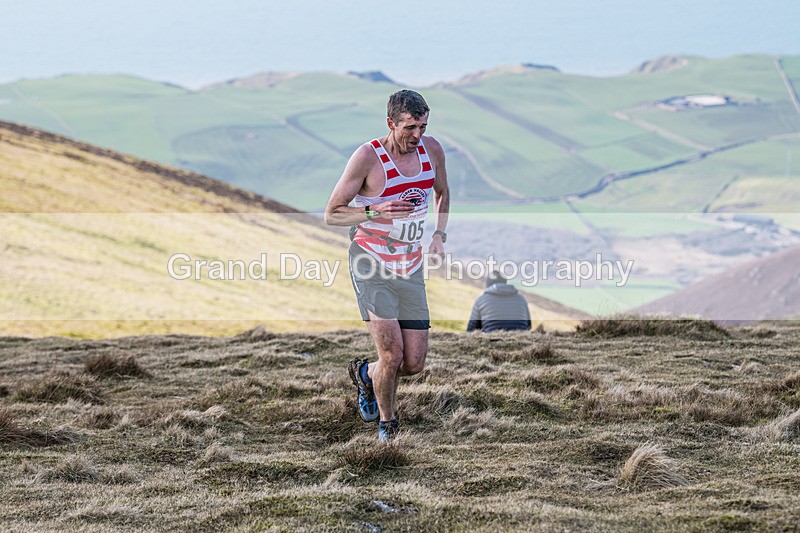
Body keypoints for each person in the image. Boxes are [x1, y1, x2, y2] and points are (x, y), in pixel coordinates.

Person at [324, 90, 449, 443]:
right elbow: (332, 213)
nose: (417, 135)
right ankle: (388, 425)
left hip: (410, 266)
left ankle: (365, 373)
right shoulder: (367, 157)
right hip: (370, 262)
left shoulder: (432, 150)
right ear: (391, 122)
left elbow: (442, 192)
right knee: (392, 355)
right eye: (410, 127)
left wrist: (439, 234)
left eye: (423, 126)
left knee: (413, 363)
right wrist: (374, 211)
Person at [467, 271, 532, 333]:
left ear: (487, 284)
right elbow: (529, 326)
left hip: (491, 342)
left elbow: (471, 330)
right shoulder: (521, 299)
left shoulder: (481, 300)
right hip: (521, 340)